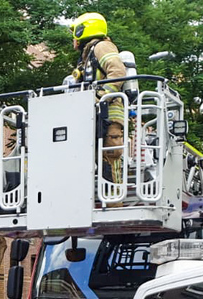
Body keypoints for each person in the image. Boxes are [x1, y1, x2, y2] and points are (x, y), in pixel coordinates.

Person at [68, 13, 127, 177]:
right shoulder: (87, 56)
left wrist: (101, 97)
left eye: (74, 33)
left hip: (109, 117)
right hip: (95, 116)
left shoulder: (102, 47)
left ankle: (114, 201)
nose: (73, 39)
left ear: (83, 31)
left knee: (110, 162)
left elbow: (118, 72)